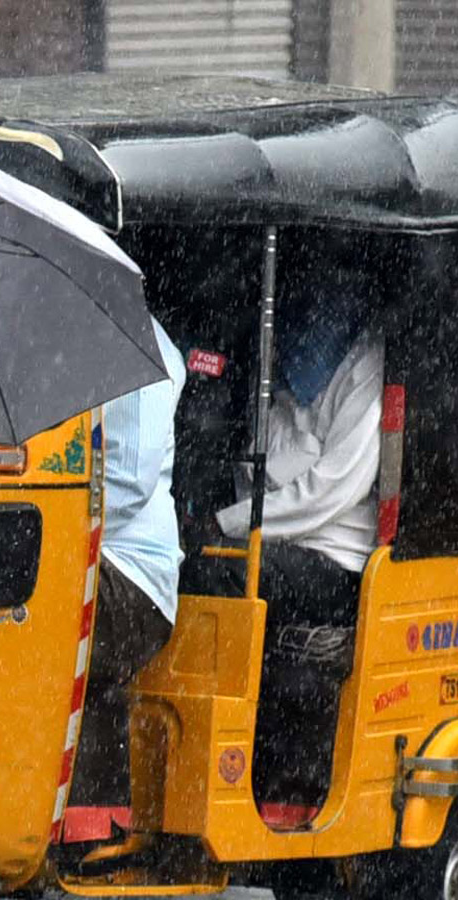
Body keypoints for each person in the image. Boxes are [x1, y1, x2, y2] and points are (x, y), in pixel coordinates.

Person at [214, 286, 384, 629]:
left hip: (332, 557)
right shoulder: (286, 364)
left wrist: (231, 523)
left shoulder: (365, 364)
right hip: (276, 544)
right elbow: (263, 468)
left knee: (216, 574)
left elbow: (332, 489)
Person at [92, 317, 186, 692]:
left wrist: (46, 543)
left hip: (127, 575)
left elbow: (128, 482)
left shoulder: (140, 347)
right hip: (78, 551)